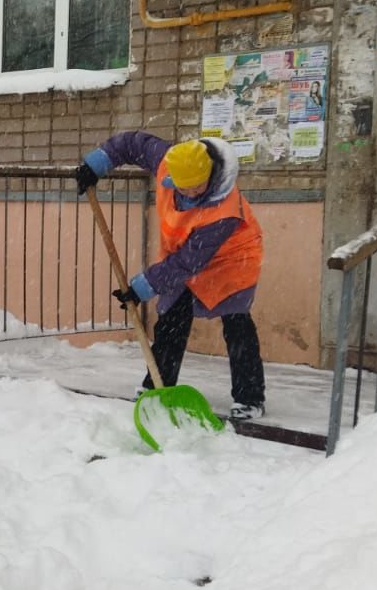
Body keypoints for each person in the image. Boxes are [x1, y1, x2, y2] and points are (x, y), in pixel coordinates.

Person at [74, 133, 267, 420]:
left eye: (196, 187)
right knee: (171, 322)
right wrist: (97, 164)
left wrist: (140, 289)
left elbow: (188, 262)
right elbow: (132, 144)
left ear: (210, 174)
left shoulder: (224, 211)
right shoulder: (171, 161)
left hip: (232, 260)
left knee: (237, 325)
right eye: (182, 187)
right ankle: (158, 385)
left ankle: (250, 397)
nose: (189, 193)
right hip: (185, 254)